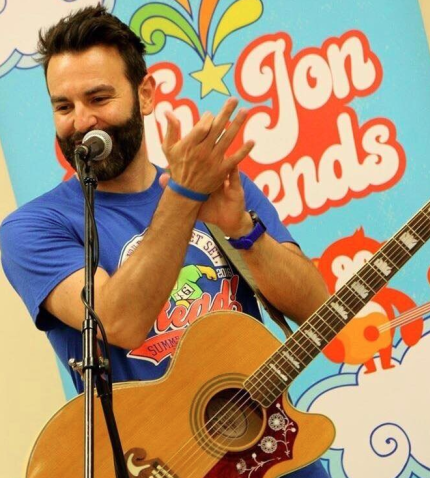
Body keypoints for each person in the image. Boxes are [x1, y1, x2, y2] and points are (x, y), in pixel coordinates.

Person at [0, 6, 331, 478]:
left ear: (146, 94)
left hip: (275, 457)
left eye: (98, 98)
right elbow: (118, 321)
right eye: (64, 106)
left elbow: (318, 309)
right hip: (159, 464)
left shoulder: (217, 186)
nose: (81, 121)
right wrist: (184, 195)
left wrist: (242, 230)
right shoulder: (31, 228)